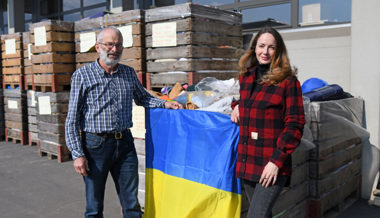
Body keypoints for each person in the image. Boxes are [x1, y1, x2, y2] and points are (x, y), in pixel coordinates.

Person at [65, 27, 182, 218]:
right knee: (94, 207)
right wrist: (77, 154)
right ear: (98, 47)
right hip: (95, 146)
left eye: (119, 45)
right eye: (109, 44)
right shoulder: (82, 76)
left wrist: (166, 104)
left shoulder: (128, 73)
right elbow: (72, 119)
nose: (114, 49)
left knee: (131, 204)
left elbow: (143, 97)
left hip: (125, 145)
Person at [230, 26, 305, 218]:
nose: (265, 52)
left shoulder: (288, 82)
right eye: (261, 46)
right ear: (254, 47)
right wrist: (237, 105)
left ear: (278, 50)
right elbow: (249, 102)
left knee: (256, 215)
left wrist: (276, 161)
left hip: (271, 163)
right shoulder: (246, 78)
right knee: (263, 214)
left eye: (271, 47)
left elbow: (295, 124)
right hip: (248, 160)